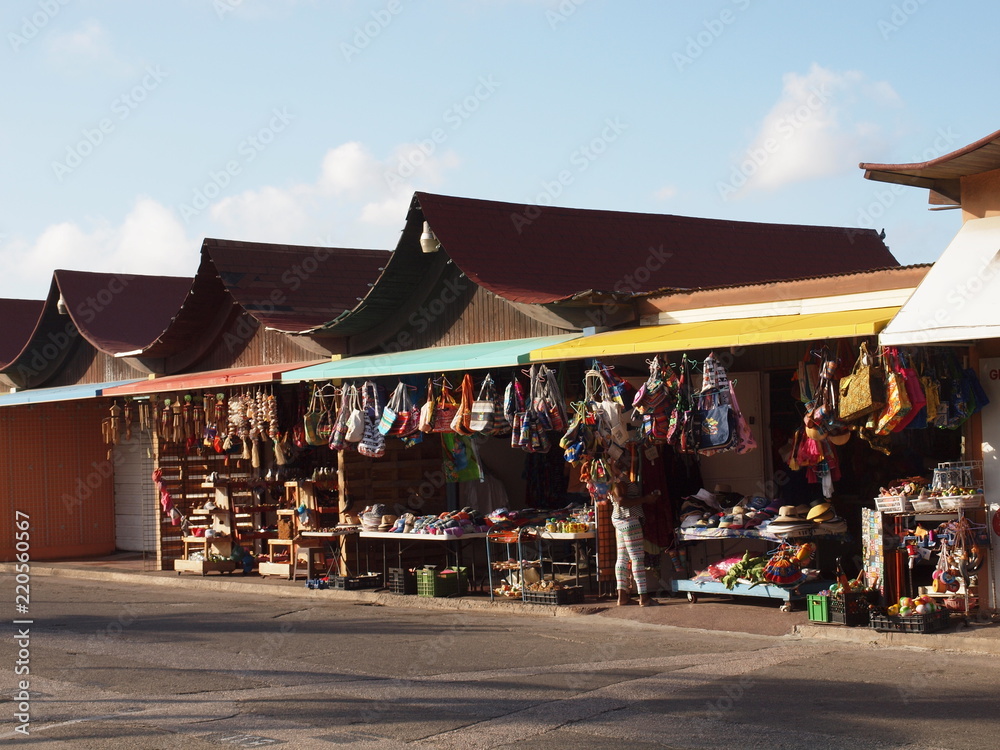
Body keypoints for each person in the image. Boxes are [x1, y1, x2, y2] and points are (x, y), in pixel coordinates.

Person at [609, 468, 662, 607]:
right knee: (637, 558)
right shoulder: (616, 479)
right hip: (629, 520)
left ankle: (622, 597)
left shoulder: (613, 477)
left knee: (622, 558)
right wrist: (645, 499)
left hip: (620, 520)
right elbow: (621, 501)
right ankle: (643, 597)